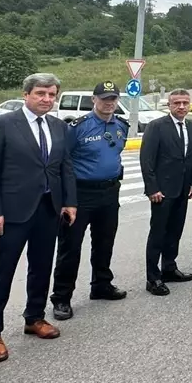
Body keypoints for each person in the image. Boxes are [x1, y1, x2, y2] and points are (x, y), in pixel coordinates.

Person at [0, 73, 76, 363]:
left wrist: (70, 202)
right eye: (40, 94)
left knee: (42, 267)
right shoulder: (3, 124)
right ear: (26, 94)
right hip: (11, 213)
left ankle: (35, 317)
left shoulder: (59, 126)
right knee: (1, 271)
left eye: (51, 94)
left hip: (48, 209)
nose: (46, 99)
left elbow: (64, 167)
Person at [50, 81, 129, 320]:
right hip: (80, 194)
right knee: (70, 247)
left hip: (109, 192)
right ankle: (62, 297)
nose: (109, 103)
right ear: (94, 100)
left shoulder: (121, 125)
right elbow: (63, 161)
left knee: (105, 242)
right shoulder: (77, 127)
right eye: (104, 98)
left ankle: (101, 285)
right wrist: (67, 198)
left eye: (113, 98)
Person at [140, 89, 192, 295]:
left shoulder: (191, 126)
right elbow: (147, 160)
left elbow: (190, 158)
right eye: (177, 103)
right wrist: (152, 188)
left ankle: (169, 268)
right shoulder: (156, 127)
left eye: (185, 103)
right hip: (162, 191)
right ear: (169, 105)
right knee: (158, 233)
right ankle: (153, 278)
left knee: (175, 231)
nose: (181, 106)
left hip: (182, 189)